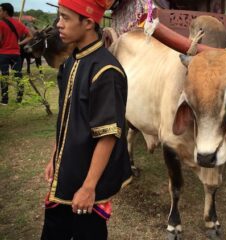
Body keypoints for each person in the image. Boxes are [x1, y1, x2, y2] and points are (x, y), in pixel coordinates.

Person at [41, 0, 132, 239]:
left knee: (87, 232)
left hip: (87, 179)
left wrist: (89, 186)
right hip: (67, 169)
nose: (59, 24)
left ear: (89, 22)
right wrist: (54, 155)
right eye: (59, 17)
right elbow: (66, 117)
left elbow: (108, 134)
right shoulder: (71, 62)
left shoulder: (106, 71)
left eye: (66, 18)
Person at [0, 3, 32, 105]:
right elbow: (30, 36)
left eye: (0, 10)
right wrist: (19, 43)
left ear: (5, 12)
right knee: (18, 76)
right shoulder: (18, 24)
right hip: (16, 54)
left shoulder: (0, 23)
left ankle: (5, 100)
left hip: (3, 54)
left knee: (4, 77)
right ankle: (19, 98)